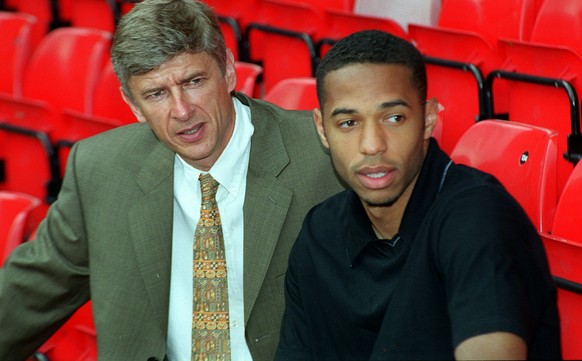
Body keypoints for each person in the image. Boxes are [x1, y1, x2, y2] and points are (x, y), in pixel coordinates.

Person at [0, 1, 344, 360]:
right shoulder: (101, 171)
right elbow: (29, 295)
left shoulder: (325, 156)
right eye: (156, 94)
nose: (181, 111)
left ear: (228, 69)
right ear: (133, 104)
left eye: (193, 82)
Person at [275, 30, 561, 360]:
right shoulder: (319, 233)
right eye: (349, 123)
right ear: (322, 129)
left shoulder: (479, 219)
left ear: (428, 119)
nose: (372, 144)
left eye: (394, 118)